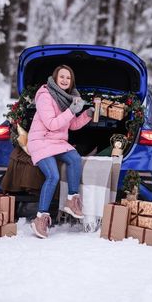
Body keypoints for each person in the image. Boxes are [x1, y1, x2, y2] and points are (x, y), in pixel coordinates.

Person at [27, 65, 94, 238]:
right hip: (40, 140)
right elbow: (51, 124)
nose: (65, 80)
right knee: (53, 176)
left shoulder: (70, 98)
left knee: (74, 158)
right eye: (62, 77)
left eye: (68, 78)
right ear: (55, 78)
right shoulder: (45, 96)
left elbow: (71, 125)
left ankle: (72, 199)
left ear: (71, 81)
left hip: (56, 141)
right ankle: (40, 218)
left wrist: (87, 114)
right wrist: (72, 110)